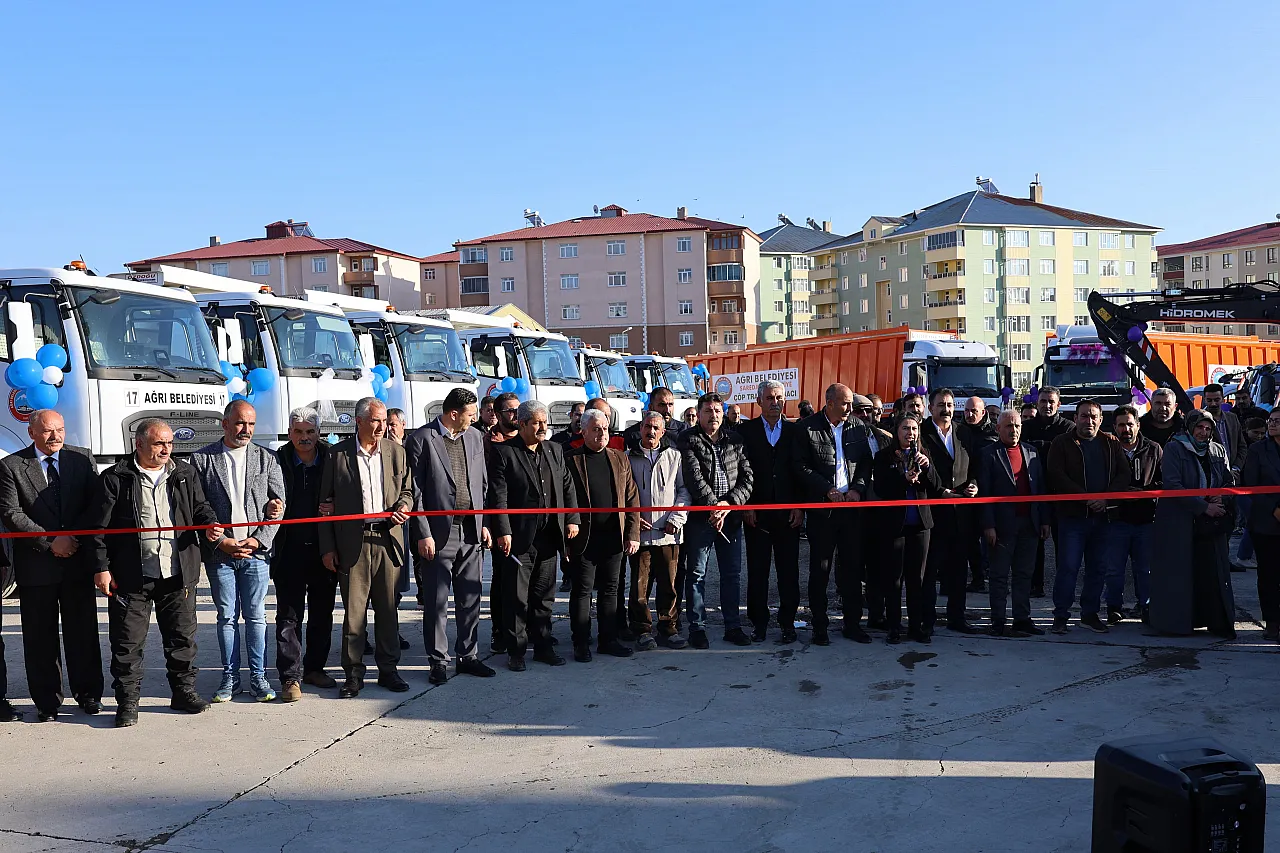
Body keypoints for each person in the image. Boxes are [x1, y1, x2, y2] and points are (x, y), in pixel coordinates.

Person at [89, 418, 222, 727]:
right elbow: (98, 529)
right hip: (131, 575)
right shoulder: (115, 478)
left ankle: (183, 692)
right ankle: (127, 703)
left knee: (181, 639)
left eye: (170, 443)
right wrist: (102, 568)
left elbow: (201, 509)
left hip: (177, 572)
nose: (167, 449)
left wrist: (210, 525)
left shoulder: (184, 474)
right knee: (127, 643)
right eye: (160, 443)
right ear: (139, 444)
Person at [0, 409, 102, 721]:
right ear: (32, 433)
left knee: (83, 634)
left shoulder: (82, 459)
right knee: (39, 638)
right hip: (36, 565)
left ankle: (89, 696)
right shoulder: (11, 466)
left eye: (59, 429)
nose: (55, 436)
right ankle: (47, 702)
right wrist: (50, 541)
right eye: (47, 431)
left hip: (76, 561)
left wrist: (72, 539)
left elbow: (95, 504)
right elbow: (10, 512)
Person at [190, 400, 286, 703]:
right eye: (240, 423)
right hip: (221, 555)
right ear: (225, 424)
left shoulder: (266, 459)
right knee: (226, 618)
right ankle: (229, 678)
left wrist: (258, 540)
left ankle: (259, 677)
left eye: (251, 424)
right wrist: (221, 542)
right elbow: (195, 508)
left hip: (255, 554)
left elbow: (279, 506)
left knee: (257, 617)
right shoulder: (201, 460)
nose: (246, 430)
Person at [319, 397, 414, 697]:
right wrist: (328, 548)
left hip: (387, 541)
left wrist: (404, 505)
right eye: (375, 420)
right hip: (353, 543)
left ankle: (389, 670)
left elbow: (409, 491)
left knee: (388, 610)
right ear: (358, 421)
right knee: (354, 613)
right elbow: (324, 508)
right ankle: (353, 674)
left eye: (384, 420)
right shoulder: (337, 456)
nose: (381, 426)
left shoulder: (396, 452)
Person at [406, 387, 495, 685]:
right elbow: (416, 492)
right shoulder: (421, 439)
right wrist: (423, 533)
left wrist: (484, 522)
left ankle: (468, 655)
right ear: (453, 414)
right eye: (470, 415)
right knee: (437, 600)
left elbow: (481, 484)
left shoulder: (473, 437)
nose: (474, 420)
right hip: (439, 532)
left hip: (471, 529)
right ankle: (438, 661)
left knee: (470, 597)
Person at [488, 400, 580, 671]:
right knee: (516, 596)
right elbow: (498, 496)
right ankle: (515, 651)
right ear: (522, 423)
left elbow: (567, 486)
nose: (542, 427)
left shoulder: (554, 450)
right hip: (519, 539)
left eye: (545, 422)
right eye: (536, 423)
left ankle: (542, 646)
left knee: (544, 596)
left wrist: (571, 519)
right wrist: (502, 530)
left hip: (550, 536)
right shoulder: (504, 453)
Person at [795, 383, 872, 645]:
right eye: (845, 403)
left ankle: (852, 624)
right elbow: (800, 467)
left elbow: (865, 464)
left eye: (851, 403)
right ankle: (819, 626)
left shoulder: (857, 427)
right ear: (829, 403)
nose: (851, 408)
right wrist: (826, 489)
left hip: (851, 510)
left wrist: (858, 489)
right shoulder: (807, 428)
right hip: (822, 510)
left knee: (852, 569)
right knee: (820, 569)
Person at [1046, 400, 1131, 635]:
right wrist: (1085, 498)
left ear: (1101, 420)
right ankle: (1061, 615)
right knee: (1068, 568)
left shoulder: (1111, 443)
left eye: (1094, 417)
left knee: (1098, 568)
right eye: (1084, 416)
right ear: (1075, 418)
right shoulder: (1062, 443)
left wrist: (1105, 499)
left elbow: (1124, 475)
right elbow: (1056, 475)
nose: (1089, 421)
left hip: (1103, 518)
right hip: (1072, 518)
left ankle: (1089, 614)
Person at [273, 407, 340, 702]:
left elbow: (348, 491)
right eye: (298, 432)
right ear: (289, 433)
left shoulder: (332, 457)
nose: (304, 438)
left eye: (310, 432)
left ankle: (315, 668)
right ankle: (290, 677)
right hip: (288, 550)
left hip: (324, 550)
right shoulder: (276, 460)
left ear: (319, 432)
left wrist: (337, 506)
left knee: (322, 614)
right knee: (289, 616)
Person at [1150, 410, 1236, 638]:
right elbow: (1172, 484)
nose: (1203, 432)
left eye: (1208, 428)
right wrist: (1203, 506)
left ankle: (1214, 621)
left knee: (1212, 573)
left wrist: (1222, 497)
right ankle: (1177, 624)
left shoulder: (1217, 449)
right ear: (1189, 427)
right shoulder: (1175, 447)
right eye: (1199, 427)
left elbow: (1228, 480)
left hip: (1211, 524)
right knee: (1180, 574)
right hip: (1180, 523)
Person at [678, 391, 754, 649]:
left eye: (718, 411)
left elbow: (747, 478)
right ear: (698, 414)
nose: (714, 416)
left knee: (732, 574)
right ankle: (697, 627)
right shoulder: (688, 439)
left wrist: (728, 505)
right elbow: (693, 477)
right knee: (697, 574)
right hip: (701, 519)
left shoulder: (736, 439)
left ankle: (732, 626)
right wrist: (713, 508)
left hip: (730, 518)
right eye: (708, 411)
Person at [565, 409, 641, 661]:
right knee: (582, 591)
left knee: (611, 590)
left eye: (605, 429)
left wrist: (632, 533)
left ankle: (608, 639)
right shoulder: (571, 459)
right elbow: (565, 499)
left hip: (613, 537)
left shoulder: (619, 458)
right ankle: (581, 642)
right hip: (583, 538)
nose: (602, 434)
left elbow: (632, 497)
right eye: (596, 429)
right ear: (583, 431)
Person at [975, 409, 1050, 637]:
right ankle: (998, 621)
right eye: (1008, 426)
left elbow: (1040, 489)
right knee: (998, 576)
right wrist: (988, 525)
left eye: (1017, 426)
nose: (1014, 430)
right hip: (1001, 526)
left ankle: (1022, 619)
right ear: (998, 429)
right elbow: (984, 492)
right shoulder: (988, 454)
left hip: (1030, 523)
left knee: (1024, 574)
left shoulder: (1032, 453)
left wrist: (1044, 520)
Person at [738, 380, 802, 644]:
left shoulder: (795, 431)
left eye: (778, 398)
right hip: (758, 514)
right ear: (759, 401)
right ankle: (759, 622)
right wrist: (747, 506)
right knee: (758, 570)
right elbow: (741, 471)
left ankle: (788, 622)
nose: (774, 402)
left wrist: (799, 506)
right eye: (769, 398)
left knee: (789, 571)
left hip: (788, 514)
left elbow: (800, 470)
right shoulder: (746, 431)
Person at [873, 413, 942, 644]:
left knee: (917, 579)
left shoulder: (924, 454)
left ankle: (916, 626)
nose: (910, 433)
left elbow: (936, 486)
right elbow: (882, 488)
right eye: (905, 429)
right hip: (895, 525)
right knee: (894, 578)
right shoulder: (884, 456)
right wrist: (904, 479)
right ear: (896, 431)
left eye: (913, 429)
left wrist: (928, 467)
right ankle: (894, 626)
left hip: (921, 525)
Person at [626, 411, 689, 649]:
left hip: (669, 533)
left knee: (669, 584)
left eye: (655, 428)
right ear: (640, 429)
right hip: (639, 535)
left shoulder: (675, 457)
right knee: (640, 585)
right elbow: (623, 492)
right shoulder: (627, 458)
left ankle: (668, 628)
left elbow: (684, 491)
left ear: (663, 432)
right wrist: (632, 518)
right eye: (646, 427)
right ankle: (642, 630)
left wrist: (677, 518)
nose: (650, 432)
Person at [920, 387, 980, 635]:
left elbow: (974, 465)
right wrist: (940, 491)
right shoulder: (920, 433)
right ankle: (927, 620)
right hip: (933, 511)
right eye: (941, 405)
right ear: (930, 407)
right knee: (930, 569)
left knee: (958, 569)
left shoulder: (964, 432)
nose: (946, 409)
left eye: (950, 405)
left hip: (960, 512)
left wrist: (975, 484)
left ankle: (957, 616)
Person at [1108, 405, 1162, 625]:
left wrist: (1144, 493)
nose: (1126, 429)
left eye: (1130, 424)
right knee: (1113, 569)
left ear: (1138, 425)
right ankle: (1113, 608)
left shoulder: (1154, 449)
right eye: (1121, 425)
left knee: (1145, 569)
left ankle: (1147, 607)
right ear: (1114, 427)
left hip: (1146, 519)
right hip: (1116, 519)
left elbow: (1165, 481)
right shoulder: (1108, 449)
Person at [1023, 386, 1075, 597]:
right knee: (1035, 542)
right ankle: (1036, 585)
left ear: (1058, 404)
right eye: (1043, 401)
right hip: (1034, 491)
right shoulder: (1025, 427)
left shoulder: (1068, 428)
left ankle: (1064, 589)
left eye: (1051, 401)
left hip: (1061, 493)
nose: (1047, 405)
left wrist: (1040, 447)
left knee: (1063, 545)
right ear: (1037, 403)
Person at [485, 390, 523, 641]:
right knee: (502, 579)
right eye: (510, 410)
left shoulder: (528, 439)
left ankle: (524, 628)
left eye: (518, 410)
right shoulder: (487, 443)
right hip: (500, 520)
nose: (515, 415)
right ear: (497, 415)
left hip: (527, 521)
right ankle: (500, 631)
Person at [1242, 409, 1280, 640]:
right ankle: (1272, 622)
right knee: (1269, 575)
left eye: (1277, 421)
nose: (1272, 425)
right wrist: (1275, 509)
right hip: (1266, 522)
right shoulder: (1258, 450)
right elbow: (1251, 484)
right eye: (1271, 421)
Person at [960, 395, 998, 594]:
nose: (970, 414)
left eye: (974, 411)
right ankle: (977, 578)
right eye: (967, 410)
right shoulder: (959, 432)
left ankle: (996, 578)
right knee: (970, 540)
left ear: (983, 413)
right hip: (968, 491)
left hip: (990, 491)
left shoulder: (993, 433)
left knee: (992, 538)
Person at [1202, 383, 1247, 474]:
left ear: (1223, 399)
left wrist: (1236, 468)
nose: (1213, 403)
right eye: (1209, 400)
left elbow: (1242, 446)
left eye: (1217, 400)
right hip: (1211, 476)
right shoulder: (1199, 421)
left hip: (1234, 475)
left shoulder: (1232, 418)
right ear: (1205, 400)